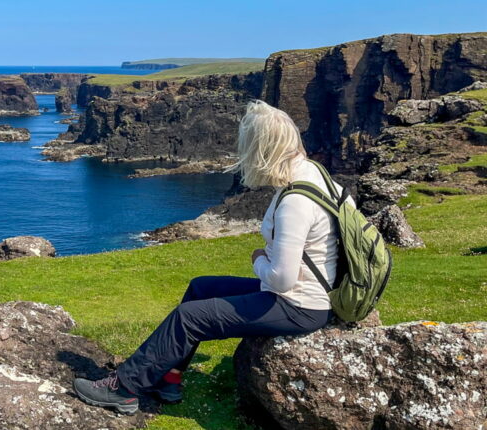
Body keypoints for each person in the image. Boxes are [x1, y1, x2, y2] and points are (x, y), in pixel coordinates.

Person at [73, 100, 355, 414]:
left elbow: (283, 278)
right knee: (200, 288)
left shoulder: (296, 202)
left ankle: (123, 389)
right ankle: (169, 377)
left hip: (298, 307)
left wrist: (258, 259)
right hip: (300, 297)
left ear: (261, 147)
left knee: (189, 317)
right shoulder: (314, 173)